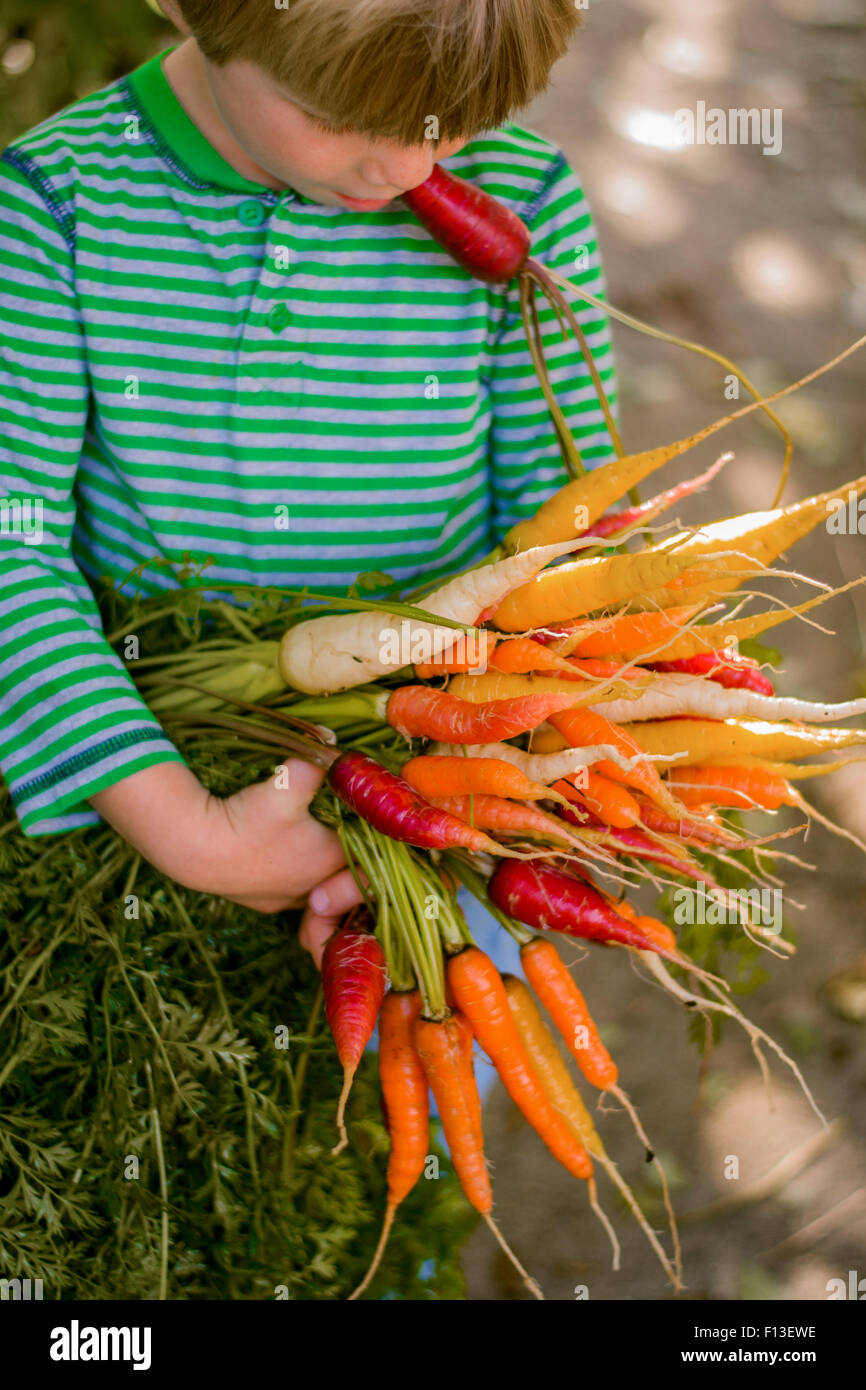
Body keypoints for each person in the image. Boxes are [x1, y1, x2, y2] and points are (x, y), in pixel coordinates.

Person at [0, 0, 617, 968]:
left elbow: (557, 542)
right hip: (139, 770)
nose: (410, 168)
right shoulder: (56, 206)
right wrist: (189, 832)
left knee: (435, 1047)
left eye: (450, 120)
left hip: (442, 788)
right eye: (341, 117)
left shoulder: (525, 207)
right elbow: (14, 550)